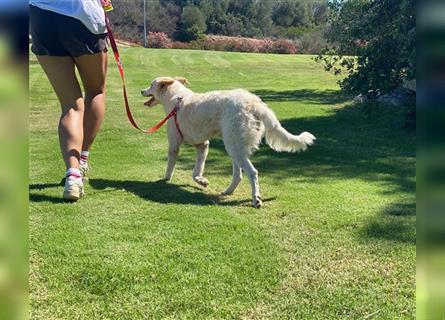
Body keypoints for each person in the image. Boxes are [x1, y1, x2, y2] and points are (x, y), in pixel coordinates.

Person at [29, 0, 109, 201]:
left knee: (70, 104)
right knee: (95, 91)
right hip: (82, 16)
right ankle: (81, 161)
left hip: (41, 16)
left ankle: (72, 176)